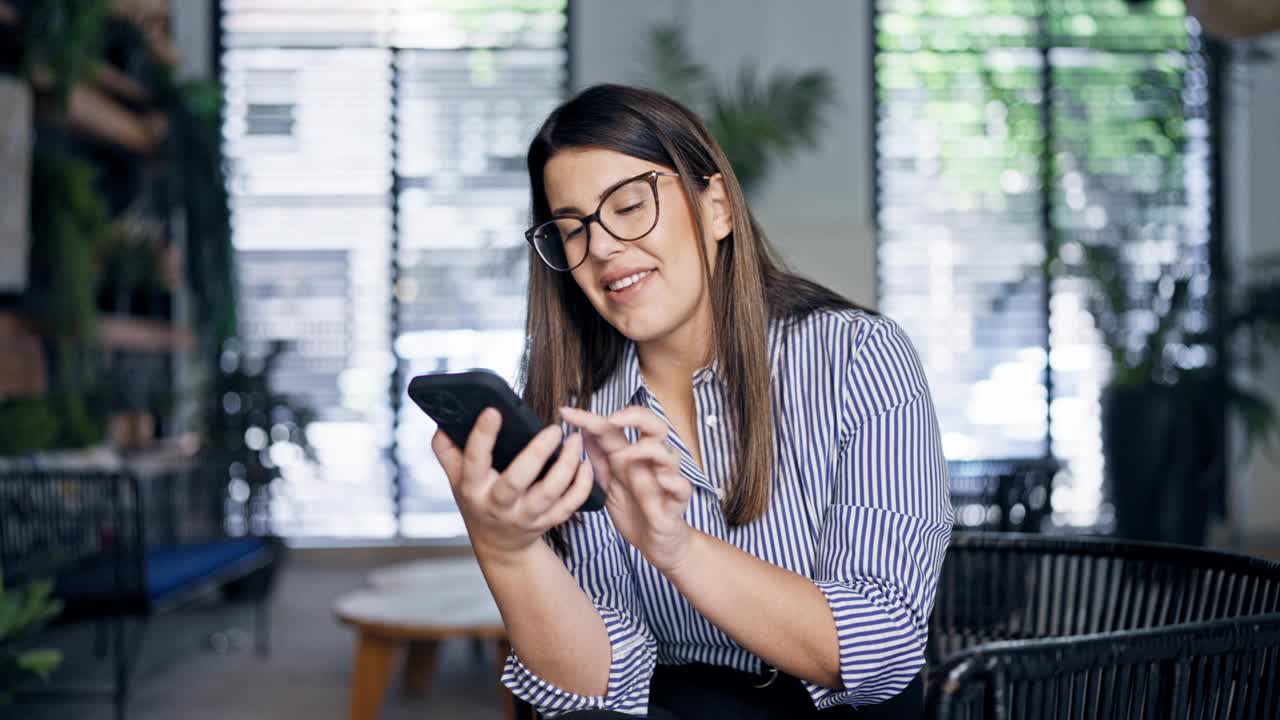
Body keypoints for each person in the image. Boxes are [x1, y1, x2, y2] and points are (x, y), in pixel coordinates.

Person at [429, 84, 953, 719]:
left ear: (718, 208)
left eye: (628, 205)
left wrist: (676, 547)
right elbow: (595, 690)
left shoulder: (859, 357)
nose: (600, 249)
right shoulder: (575, 405)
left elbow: (881, 646)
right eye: (571, 230)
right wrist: (505, 548)